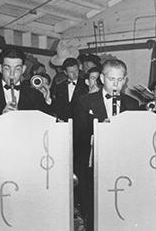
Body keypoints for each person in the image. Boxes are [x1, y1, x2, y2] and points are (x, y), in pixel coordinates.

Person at [73, 59, 140, 231]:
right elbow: (78, 137)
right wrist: (99, 130)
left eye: (120, 80)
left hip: (122, 166)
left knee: (120, 211)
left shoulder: (132, 104)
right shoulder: (85, 102)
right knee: (94, 213)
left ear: (125, 80)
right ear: (102, 79)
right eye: (111, 79)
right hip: (93, 167)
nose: (116, 84)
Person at [0, 47, 50, 122]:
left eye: (17, 69)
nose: (12, 74)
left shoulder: (35, 95)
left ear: (23, 69)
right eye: (7, 68)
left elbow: (44, 125)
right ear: (0, 68)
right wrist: (1, 118)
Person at [52, 57, 88, 122]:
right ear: (65, 72)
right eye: (71, 72)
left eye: (76, 70)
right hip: (64, 123)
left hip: (81, 124)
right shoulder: (59, 87)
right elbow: (57, 106)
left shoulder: (86, 85)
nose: (74, 74)